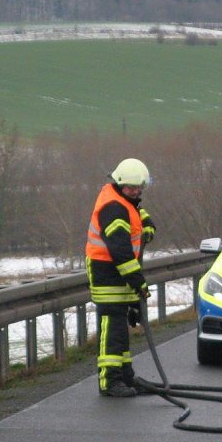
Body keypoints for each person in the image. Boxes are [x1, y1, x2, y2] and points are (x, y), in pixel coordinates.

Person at [85, 158, 156, 397]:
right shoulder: (113, 208)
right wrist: (138, 281)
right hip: (108, 272)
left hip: (118, 273)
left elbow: (135, 210)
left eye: (139, 189)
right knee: (113, 326)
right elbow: (120, 251)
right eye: (131, 189)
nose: (136, 193)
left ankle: (126, 376)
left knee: (121, 327)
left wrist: (146, 222)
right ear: (119, 184)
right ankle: (109, 380)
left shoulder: (122, 198)